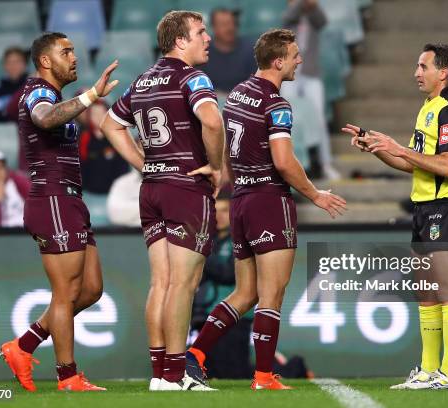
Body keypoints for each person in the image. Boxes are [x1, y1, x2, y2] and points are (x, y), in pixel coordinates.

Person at [186, 28, 347, 391]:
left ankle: (194, 356)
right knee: (272, 293)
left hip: (241, 199)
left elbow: (227, 145)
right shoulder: (276, 104)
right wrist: (314, 194)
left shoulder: (239, 93)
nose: (299, 61)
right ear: (278, 62)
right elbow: (284, 162)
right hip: (269, 200)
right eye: (294, 55)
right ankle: (263, 375)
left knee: (246, 293)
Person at [100, 11, 224, 391]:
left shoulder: (142, 81)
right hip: (185, 187)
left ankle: (160, 375)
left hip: (151, 188)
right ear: (180, 41)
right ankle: (176, 373)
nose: (208, 38)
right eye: (200, 32)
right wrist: (216, 166)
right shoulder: (193, 77)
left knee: (162, 283)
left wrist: (144, 163)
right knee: (183, 285)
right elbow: (214, 121)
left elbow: (109, 124)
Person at [343, 43, 448, 390]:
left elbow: (447, 166)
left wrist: (400, 148)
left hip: (447, 208)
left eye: (423, 66)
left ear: (442, 72)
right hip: (424, 208)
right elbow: (409, 163)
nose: (416, 73)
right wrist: (379, 149)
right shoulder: (428, 108)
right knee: (426, 292)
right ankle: (429, 370)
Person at [0, 32, 119, 392]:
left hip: (69, 201)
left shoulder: (55, 95)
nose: (74, 57)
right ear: (46, 61)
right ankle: (68, 377)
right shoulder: (37, 91)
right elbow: (45, 118)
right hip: (51, 198)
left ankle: (23, 346)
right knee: (65, 293)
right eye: (65, 52)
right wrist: (91, 96)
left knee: (92, 289)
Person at [190, 192, 254, 379]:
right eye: (215, 211)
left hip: (234, 317)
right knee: (210, 371)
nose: (220, 215)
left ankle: (292, 369)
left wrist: (202, 254)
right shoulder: (211, 240)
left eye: (226, 210)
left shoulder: (241, 238)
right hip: (205, 315)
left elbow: (228, 273)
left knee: (233, 371)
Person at [282, 0, 340, 180]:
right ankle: (286, 163)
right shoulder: (290, 15)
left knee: (319, 119)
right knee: (285, 117)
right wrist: (300, 4)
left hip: (311, 74)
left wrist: (312, 5)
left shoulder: (314, 15)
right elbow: (288, 20)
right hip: (290, 74)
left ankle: (325, 164)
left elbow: (322, 22)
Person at [201, 8, 256, 96]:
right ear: (214, 27)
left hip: (244, 102)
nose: (230, 28)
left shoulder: (251, 50)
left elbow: (256, 86)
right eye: (224, 24)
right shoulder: (202, 51)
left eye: (233, 23)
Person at [79, 100, 129, 194]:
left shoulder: (117, 136)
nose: (98, 117)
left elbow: (123, 167)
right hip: (90, 192)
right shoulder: (83, 137)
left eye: (101, 113)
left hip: (114, 192)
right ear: (89, 117)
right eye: (94, 114)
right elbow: (81, 166)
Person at [0, 47, 29, 122]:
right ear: (4, 66)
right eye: (9, 62)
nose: (13, 66)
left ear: (25, 64)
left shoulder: (34, 87)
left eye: (17, 62)